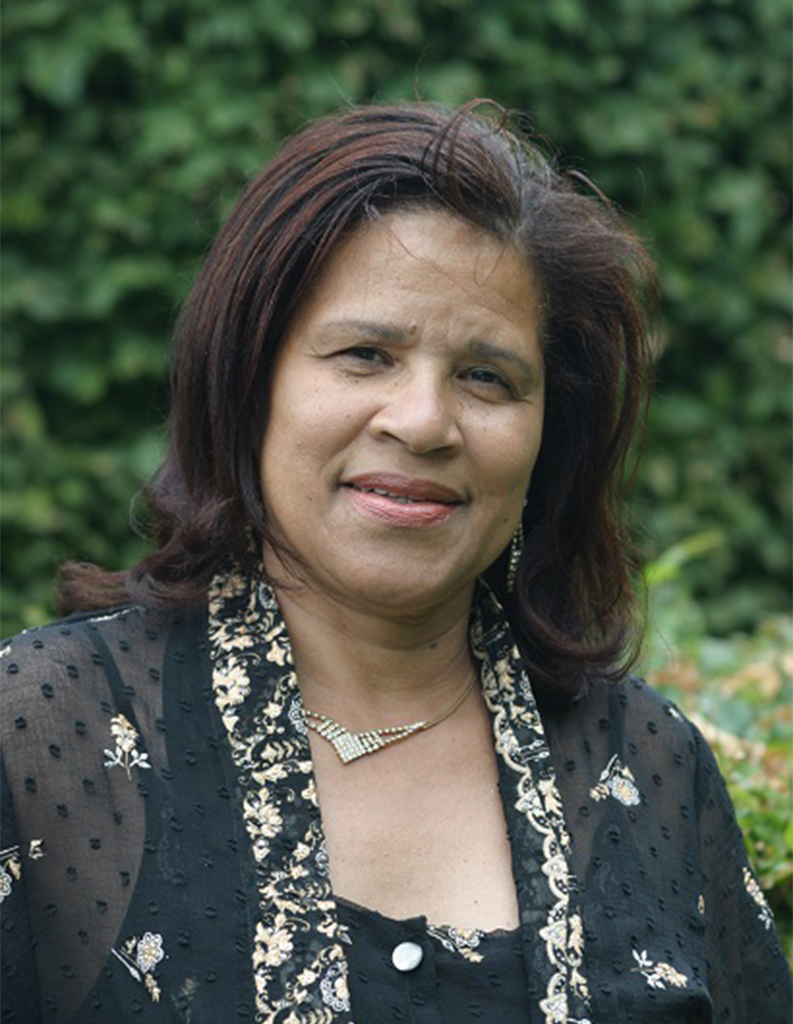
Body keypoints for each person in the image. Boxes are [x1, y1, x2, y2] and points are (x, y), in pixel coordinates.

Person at [1, 101, 789, 1024]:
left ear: (549, 436)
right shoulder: (43, 734)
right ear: (249, 383)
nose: (421, 422)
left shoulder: (648, 764)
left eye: (486, 376)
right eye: (365, 354)